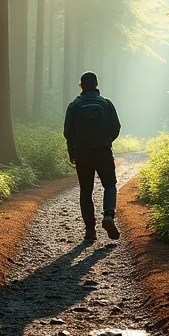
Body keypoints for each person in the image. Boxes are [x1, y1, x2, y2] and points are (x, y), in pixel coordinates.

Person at [64, 71, 122, 241]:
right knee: (109, 185)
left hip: (82, 153)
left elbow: (68, 132)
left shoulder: (74, 106)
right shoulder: (106, 104)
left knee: (86, 190)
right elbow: (116, 127)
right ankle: (108, 215)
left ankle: (90, 230)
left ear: (81, 86)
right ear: (96, 85)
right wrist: (106, 141)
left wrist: (72, 152)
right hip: (103, 151)